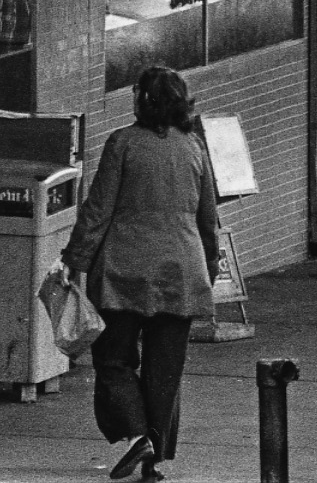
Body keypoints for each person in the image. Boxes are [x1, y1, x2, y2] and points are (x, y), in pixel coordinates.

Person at [60, 65, 222, 482]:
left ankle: (136, 435)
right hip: (182, 271)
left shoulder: (123, 143)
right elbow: (208, 218)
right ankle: (154, 461)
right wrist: (212, 263)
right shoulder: (195, 147)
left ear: (142, 102)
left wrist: (75, 260)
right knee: (164, 372)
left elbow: (98, 211)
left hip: (124, 270)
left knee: (114, 358)